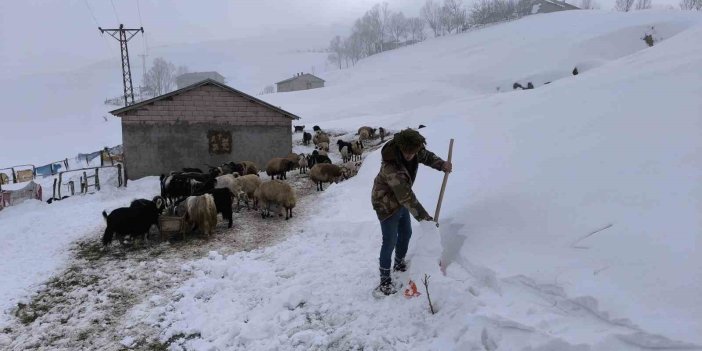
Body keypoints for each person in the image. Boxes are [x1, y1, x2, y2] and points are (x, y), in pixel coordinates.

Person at [371, 128, 452, 295]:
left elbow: (426, 156)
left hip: (401, 200)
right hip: (385, 203)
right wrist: (426, 219)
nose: (410, 155)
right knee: (390, 241)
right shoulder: (391, 167)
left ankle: (399, 263)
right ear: (400, 147)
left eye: (413, 152)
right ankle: (385, 281)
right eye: (407, 152)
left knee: (406, 233)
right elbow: (406, 197)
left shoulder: (414, 149)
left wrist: (441, 164)